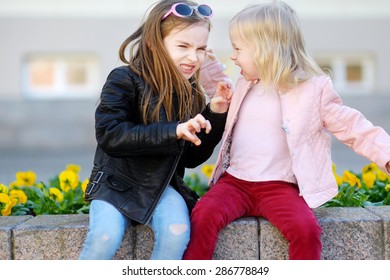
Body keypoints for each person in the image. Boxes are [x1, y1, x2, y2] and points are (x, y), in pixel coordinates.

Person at [183, 0, 390, 260]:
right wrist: (211, 67)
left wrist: (385, 153)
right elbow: (220, 89)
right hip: (234, 183)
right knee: (202, 216)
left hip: (280, 187)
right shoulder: (245, 84)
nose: (233, 56)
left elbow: (353, 126)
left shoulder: (313, 90)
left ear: (265, 49)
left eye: (238, 48)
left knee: (306, 230)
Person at [79, 0, 232, 260]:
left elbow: (191, 158)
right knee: (105, 235)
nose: (193, 57)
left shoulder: (191, 91)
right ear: (154, 43)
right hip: (116, 184)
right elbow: (111, 135)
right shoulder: (123, 78)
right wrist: (173, 131)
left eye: (201, 48)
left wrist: (215, 114)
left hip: (161, 186)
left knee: (177, 231)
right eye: (183, 46)